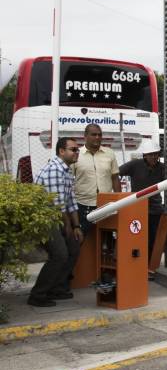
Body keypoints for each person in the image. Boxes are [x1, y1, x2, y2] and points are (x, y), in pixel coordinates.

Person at [27, 137, 83, 307]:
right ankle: (38, 294)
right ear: (61, 151)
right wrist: (67, 227)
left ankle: (56, 288)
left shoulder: (66, 171)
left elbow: (71, 202)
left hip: (57, 218)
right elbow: (57, 205)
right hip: (45, 219)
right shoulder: (54, 170)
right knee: (59, 254)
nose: (77, 152)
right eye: (73, 149)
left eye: (77, 150)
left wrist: (76, 226)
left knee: (74, 248)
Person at [119, 139, 165, 268]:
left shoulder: (162, 168)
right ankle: (137, 265)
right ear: (145, 155)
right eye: (151, 154)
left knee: (153, 239)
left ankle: (150, 266)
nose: (154, 157)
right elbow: (116, 172)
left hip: (155, 210)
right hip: (137, 209)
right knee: (138, 238)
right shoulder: (135, 165)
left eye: (156, 154)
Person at [72, 124, 121, 235]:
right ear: (85, 136)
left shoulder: (110, 153)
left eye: (100, 135)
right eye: (94, 135)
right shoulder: (76, 154)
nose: (97, 137)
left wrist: (118, 201)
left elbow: (115, 178)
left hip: (106, 205)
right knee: (82, 238)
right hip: (83, 205)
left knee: (107, 239)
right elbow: (68, 180)